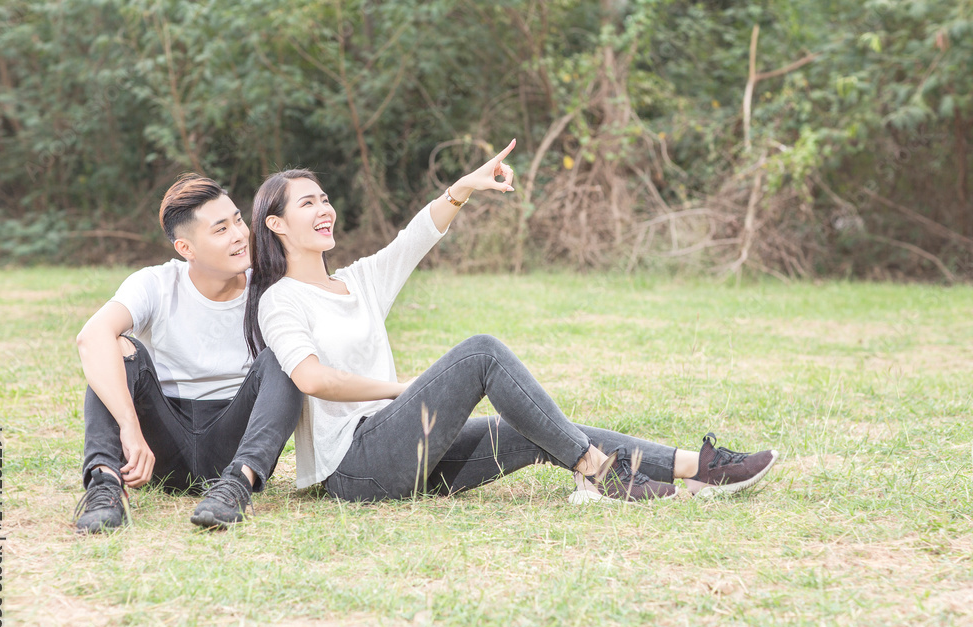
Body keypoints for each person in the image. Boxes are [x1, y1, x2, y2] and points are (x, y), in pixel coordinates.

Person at [244, 139, 778, 503]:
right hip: (352, 469)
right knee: (481, 352)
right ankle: (599, 473)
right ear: (276, 224)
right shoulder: (281, 300)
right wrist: (401, 390)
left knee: (525, 430)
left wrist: (464, 188)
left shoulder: (357, 280)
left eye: (325, 198)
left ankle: (698, 468)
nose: (324, 209)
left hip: (404, 447)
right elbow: (311, 379)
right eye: (308, 202)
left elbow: (414, 238)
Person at [73, 174, 303, 533]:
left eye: (238, 220)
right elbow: (91, 337)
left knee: (284, 357)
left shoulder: (270, 287)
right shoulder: (156, 284)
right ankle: (105, 486)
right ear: (186, 249)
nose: (240, 235)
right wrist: (130, 429)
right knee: (114, 346)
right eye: (220, 229)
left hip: (234, 439)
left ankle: (237, 488)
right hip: (161, 439)